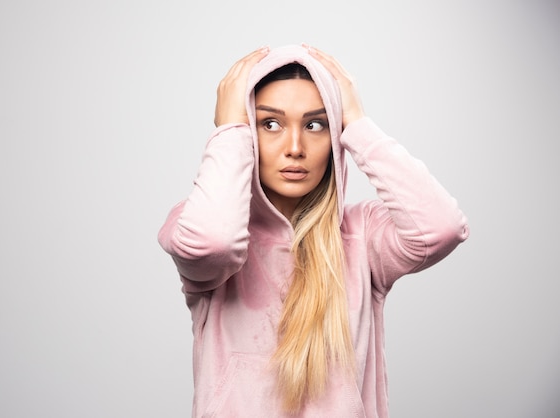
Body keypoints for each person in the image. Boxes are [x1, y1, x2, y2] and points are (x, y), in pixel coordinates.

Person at [157, 44, 469, 417]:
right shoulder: (199, 222)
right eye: (269, 124)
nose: (294, 147)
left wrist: (356, 122)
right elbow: (214, 240)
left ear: (334, 135)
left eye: (315, 124)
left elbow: (442, 227)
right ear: (248, 133)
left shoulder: (361, 236)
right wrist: (229, 130)